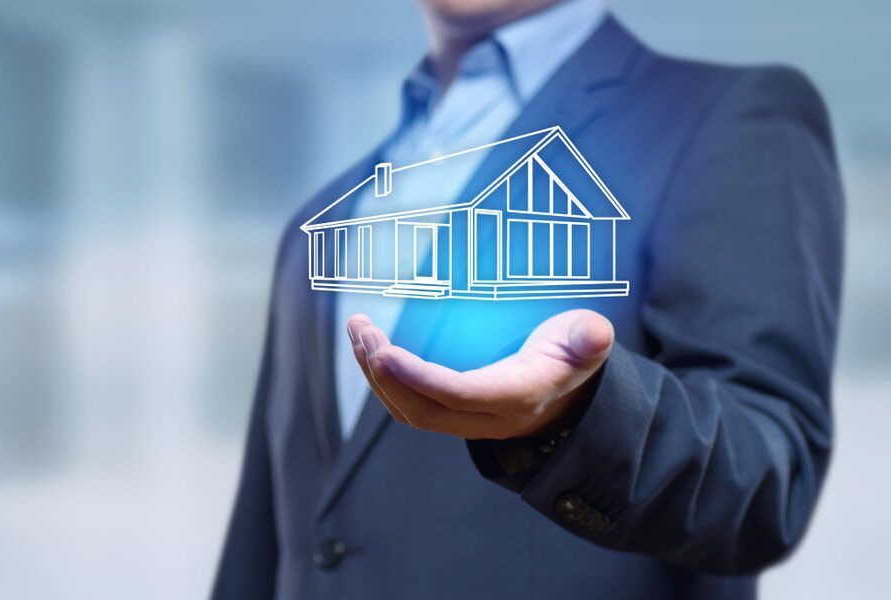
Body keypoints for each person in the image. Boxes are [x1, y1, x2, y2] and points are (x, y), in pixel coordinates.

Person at [213, 0, 843, 598]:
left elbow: (766, 479)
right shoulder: (318, 222)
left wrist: (571, 418)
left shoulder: (727, 117)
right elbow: (267, 537)